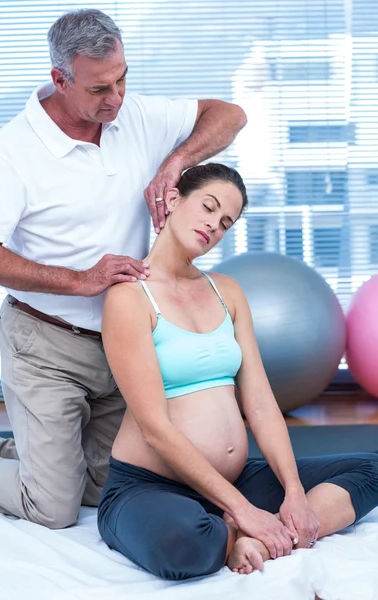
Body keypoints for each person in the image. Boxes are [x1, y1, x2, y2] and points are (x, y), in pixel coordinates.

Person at [0, 9, 247, 528]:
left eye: (123, 78)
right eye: (101, 88)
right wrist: (79, 281)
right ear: (60, 79)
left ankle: (18, 453)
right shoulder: (10, 154)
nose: (117, 97)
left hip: (121, 344)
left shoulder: (134, 116)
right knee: (52, 508)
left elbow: (230, 115)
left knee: (112, 487)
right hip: (46, 343)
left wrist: (178, 159)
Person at [98, 162, 378, 580]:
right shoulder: (129, 298)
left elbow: (261, 403)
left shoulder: (226, 291)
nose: (214, 225)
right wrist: (244, 511)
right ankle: (232, 530)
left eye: (225, 221)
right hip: (150, 486)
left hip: (236, 480)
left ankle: (255, 540)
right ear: (173, 200)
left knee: (370, 468)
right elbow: (155, 427)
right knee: (184, 547)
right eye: (208, 207)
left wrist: (294, 492)